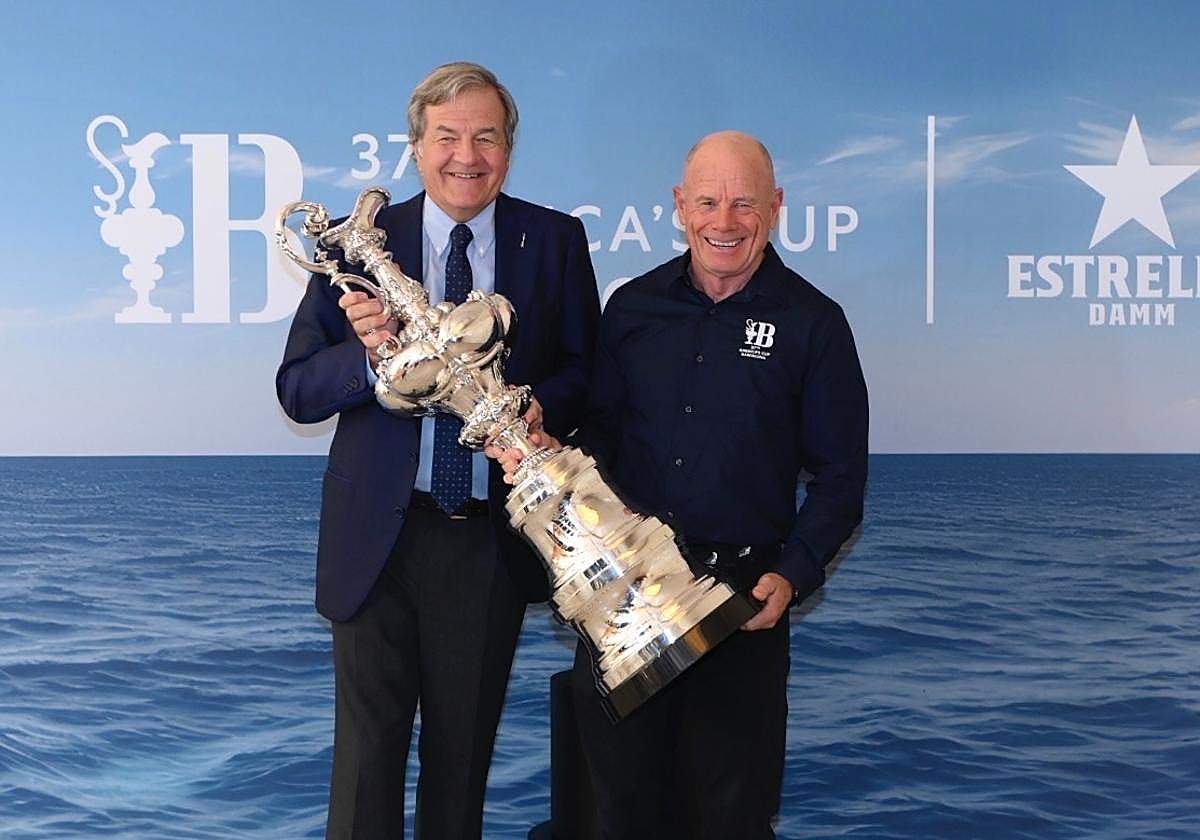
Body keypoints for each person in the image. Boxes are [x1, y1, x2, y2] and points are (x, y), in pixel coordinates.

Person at [492, 130, 868, 839]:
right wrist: (549, 456)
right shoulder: (632, 309)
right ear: (679, 206)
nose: (724, 222)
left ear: (776, 207)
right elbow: (599, 436)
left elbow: (842, 477)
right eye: (708, 201)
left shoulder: (815, 323)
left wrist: (792, 574)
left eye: (744, 203)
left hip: (742, 606)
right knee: (617, 814)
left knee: (730, 819)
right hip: (623, 598)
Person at [276, 62, 600, 840]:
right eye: (447, 136)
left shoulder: (554, 240)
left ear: (509, 152)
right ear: (417, 148)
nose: (467, 154)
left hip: (488, 543)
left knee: (460, 777)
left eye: (485, 136)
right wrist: (367, 360)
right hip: (376, 542)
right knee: (364, 774)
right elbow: (296, 388)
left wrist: (534, 409)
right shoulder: (358, 250)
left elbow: (593, 373)